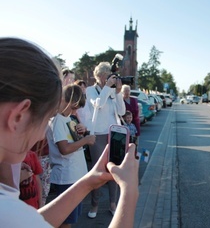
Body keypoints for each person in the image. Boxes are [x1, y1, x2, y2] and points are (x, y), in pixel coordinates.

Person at [0, 37, 139, 227]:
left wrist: (87, 183)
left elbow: (34, 222)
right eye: (45, 119)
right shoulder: (7, 211)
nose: (42, 136)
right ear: (18, 117)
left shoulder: (7, 195)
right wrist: (130, 192)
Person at [47, 84, 96, 227]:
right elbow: (64, 149)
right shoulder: (58, 120)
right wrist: (85, 140)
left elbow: (71, 140)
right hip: (67, 176)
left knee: (71, 218)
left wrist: (80, 132)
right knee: (66, 220)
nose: (75, 111)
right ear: (66, 101)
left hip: (74, 174)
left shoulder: (67, 118)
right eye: (74, 107)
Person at [86, 61, 126, 218]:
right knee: (98, 170)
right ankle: (95, 204)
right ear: (102, 76)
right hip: (98, 134)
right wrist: (108, 89)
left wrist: (117, 93)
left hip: (114, 133)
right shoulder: (91, 91)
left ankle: (112, 203)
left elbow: (122, 111)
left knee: (113, 168)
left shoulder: (111, 91)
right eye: (109, 76)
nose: (112, 78)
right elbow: (98, 104)